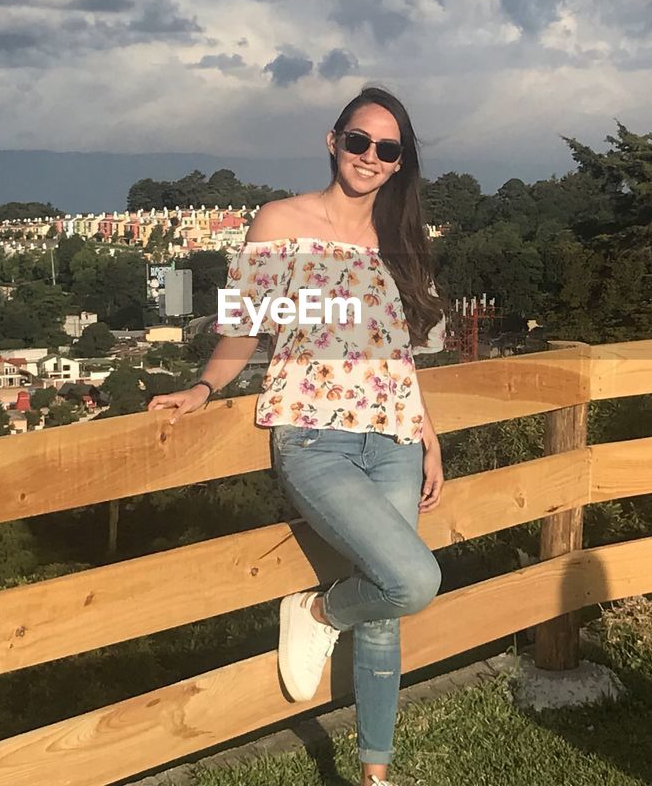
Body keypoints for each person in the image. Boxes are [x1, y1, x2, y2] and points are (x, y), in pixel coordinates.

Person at [149, 85, 447, 786]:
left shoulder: (401, 241)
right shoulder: (280, 221)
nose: (370, 157)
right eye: (359, 142)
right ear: (332, 141)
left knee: (385, 612)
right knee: (411, 579)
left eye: (388, 149)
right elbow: (244, 325)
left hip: (395, 435)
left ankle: (375, 775)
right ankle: (315, 610)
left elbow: (395, 350)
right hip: (314, 437)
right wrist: (202, 387)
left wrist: (428, 433)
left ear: (400, 162)